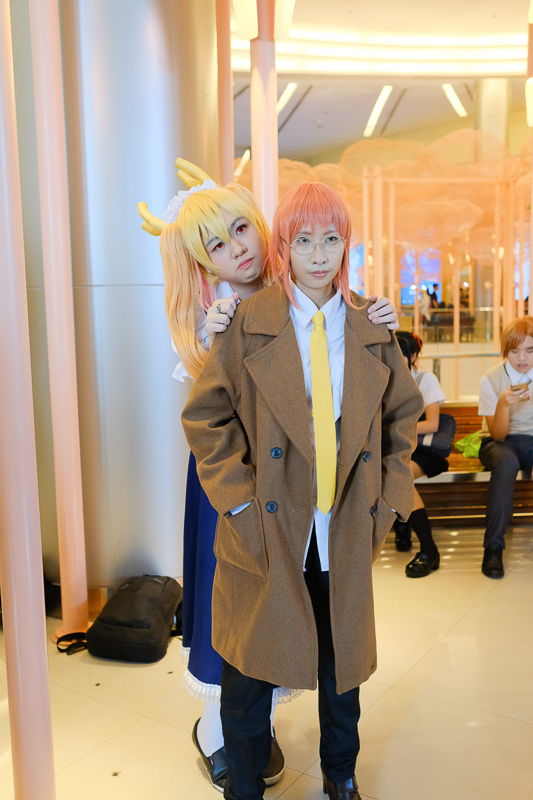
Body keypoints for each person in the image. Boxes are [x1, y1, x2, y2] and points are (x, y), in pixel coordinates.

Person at [138, 160, 401, 793]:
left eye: (240, 230)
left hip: (333, 511)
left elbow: (398, 414)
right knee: (244, 648)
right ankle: (233, 759)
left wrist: (386, 504)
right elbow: (207, 417)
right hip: (250, 502)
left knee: (335, 656)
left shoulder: (356, 319)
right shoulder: (229, 320)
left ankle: (337, 776)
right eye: (303, 239)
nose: (238, 250)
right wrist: (238, 506)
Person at [478, 316, 533, 579]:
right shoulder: (491, 379)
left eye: (530, 350)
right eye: (514, 351)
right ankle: (493, 548)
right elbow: (498, 435)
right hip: (499, 443)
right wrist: (502, 404)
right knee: (507, 464)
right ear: (505, 351)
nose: (522, 358)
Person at [394, 332, 447, 577]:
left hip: (425, 451)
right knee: (389, 472)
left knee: (400, 477)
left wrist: (394, 429)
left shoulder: (426, 380)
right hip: (397, 450)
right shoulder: (384, 377)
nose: (394, 358)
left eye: (401, 354)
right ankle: (402, 527)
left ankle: (429, 549)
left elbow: (432, 424)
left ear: (413, 356)